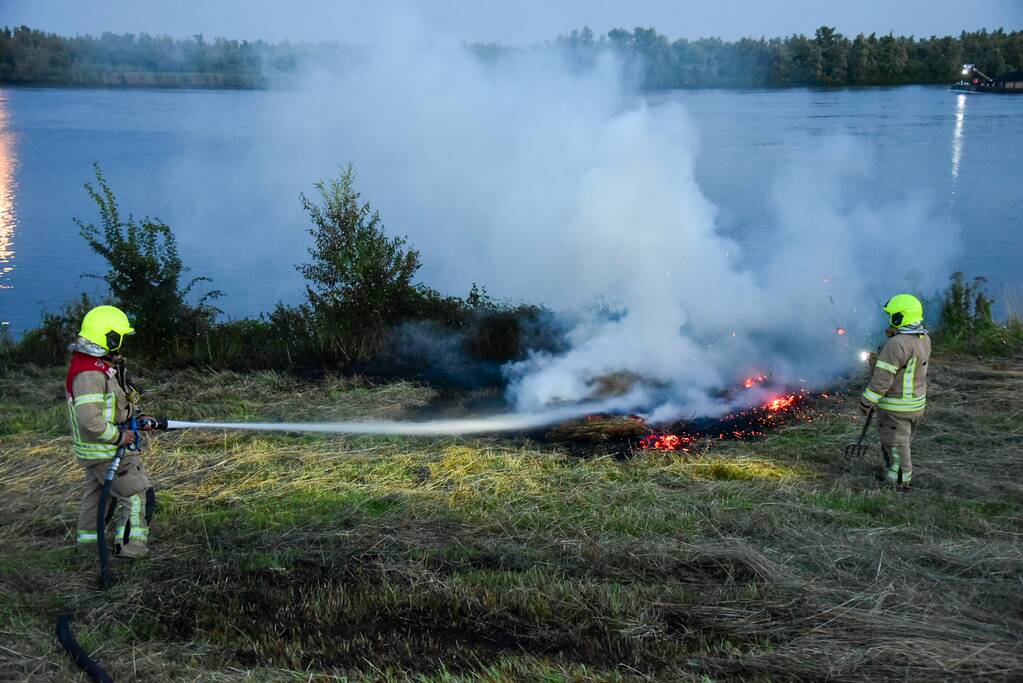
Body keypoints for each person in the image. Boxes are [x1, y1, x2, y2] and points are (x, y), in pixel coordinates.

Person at [66, 305, 157, 558]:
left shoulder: (97, 365)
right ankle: (131, 549)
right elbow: (90, 421)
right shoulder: (89, 374)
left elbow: (112, 405)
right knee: (137, 494)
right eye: (120, 337)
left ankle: (87, 548)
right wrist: (120, 437)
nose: (122, 344)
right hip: (107, 449)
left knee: (98, 497)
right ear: (109, 337)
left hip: (99, 451)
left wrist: (137, 418)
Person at [859, 294, 931, 492]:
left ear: (900, 317)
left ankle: (898, 483)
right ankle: (895, 473)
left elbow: (882, 379)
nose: (890, 319)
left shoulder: (896, 344)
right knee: (902, 443)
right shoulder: (923, 338)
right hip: (915, 405)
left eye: (893, 315)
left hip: (896, 408)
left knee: (896, 447)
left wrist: (867, 401)